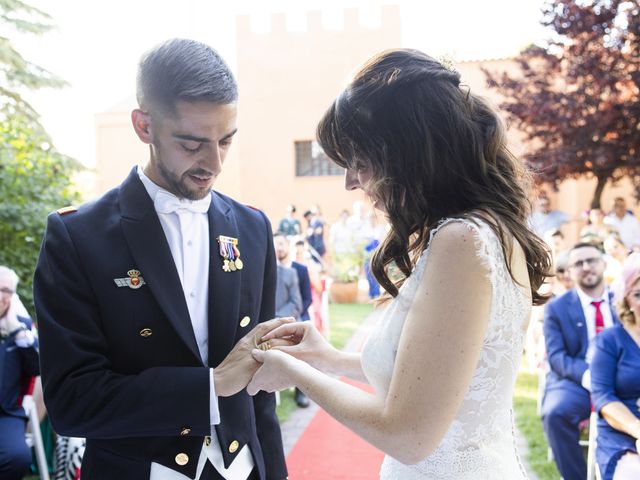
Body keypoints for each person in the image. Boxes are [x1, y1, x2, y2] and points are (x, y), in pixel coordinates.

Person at [247, 49, 552, 478]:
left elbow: (408, 436)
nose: (351, 181)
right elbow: (435, 374)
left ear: (408, 153)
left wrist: (295, 372)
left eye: (360, 160)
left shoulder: (461, 241)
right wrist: (328, 358)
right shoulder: (487, 230)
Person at [33, 39, 290, 480]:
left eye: (225, 140)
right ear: (143, 125)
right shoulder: (77, 237)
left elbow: (259, 388)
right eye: (192, 143)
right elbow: (73, 402)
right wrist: (210, 387)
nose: (214, 162)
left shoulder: (252, 228)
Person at [542, 242, 619, 479]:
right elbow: (556, 357)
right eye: (578, 263)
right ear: (569, 271)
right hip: (577, 380)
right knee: (555, 413)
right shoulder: (556, 308)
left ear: (604, 264)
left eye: (591, 261)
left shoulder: (625, 301)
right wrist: (589, 376)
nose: (586, 267)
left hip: (621, 377)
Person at [590, 253, 640, 480]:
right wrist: (637, 428)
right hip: (621, 432)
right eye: (639, 294)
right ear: (627, 299)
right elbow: (603, 397)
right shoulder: (610, 341)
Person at [0, 266, 39, 480]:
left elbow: (38, 367)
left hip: (6, 413)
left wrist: (17, 333)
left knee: (17, 457)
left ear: (12, 296)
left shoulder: (22, 326)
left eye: (5, 290)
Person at [273, 234, 310, 407]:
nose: (277, 248)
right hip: (269, 320)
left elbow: (300, 301)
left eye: (281, 244)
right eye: (274, 245)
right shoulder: (263, 272)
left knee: (299, 340)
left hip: (292, 316)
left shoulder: (295, 271)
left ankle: (300, 390)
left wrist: (279, 318)